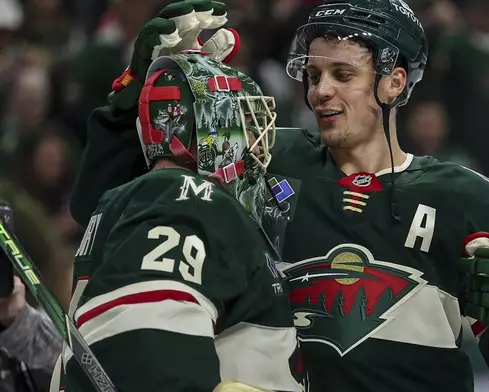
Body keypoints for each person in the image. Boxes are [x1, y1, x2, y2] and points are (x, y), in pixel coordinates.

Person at [68, 0, 489, 391]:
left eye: (342, 75)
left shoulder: (465, 196)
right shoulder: (266, 159)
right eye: (313, 76)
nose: (319, 92)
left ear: (393, 83)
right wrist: (136, 94)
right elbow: (115, 209)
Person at [50, 52, 305, 392]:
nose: (255, 141)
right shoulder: (186, 199)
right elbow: (149, 354)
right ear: (209, 126)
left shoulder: (155, 198)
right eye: (242, 121)